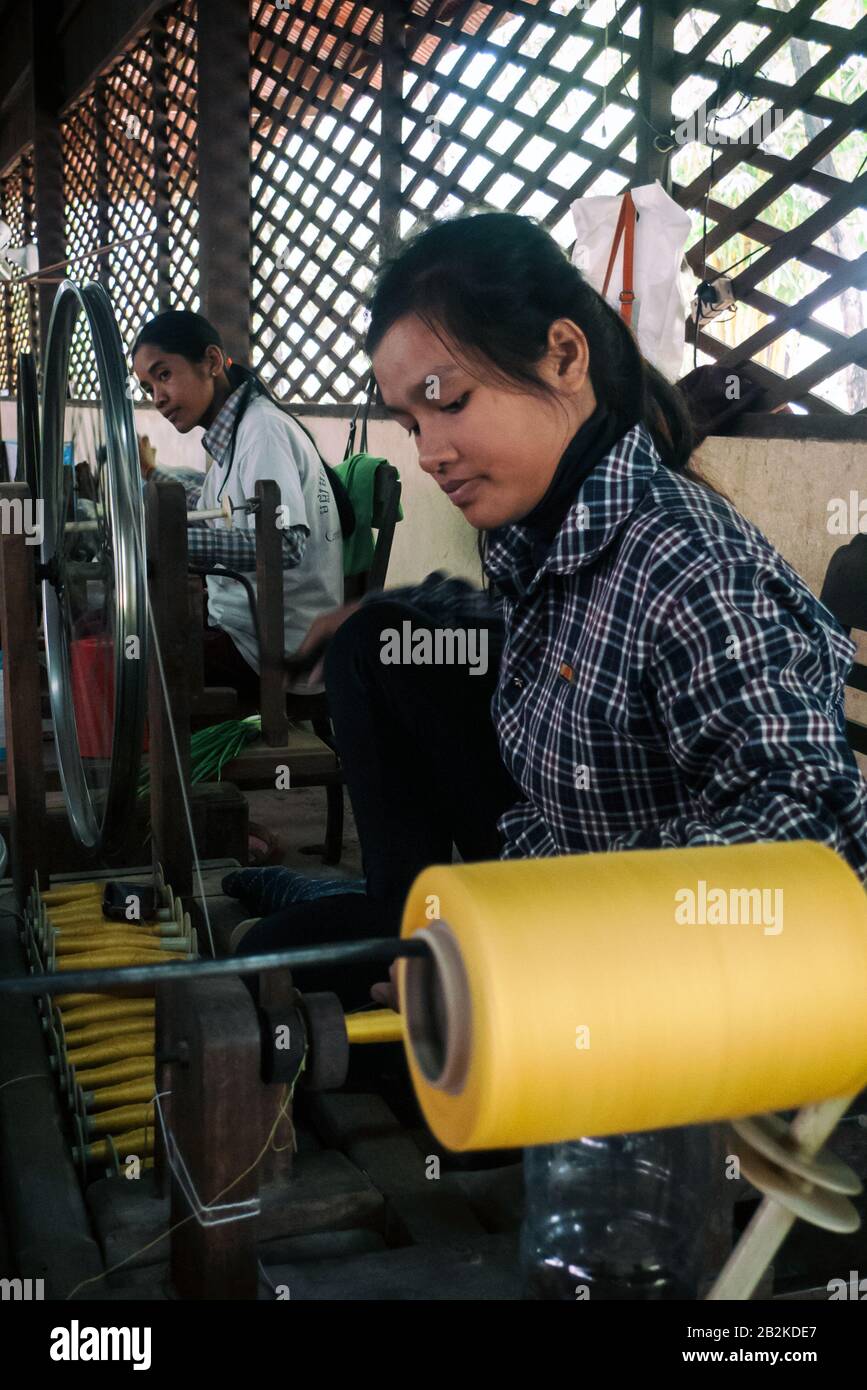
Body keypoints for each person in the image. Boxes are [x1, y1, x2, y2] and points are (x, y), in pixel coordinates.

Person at [233, 210, 867, 1007]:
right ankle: (401, 920)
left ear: (565, 356)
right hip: (538, 877)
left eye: (449, 403)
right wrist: (388, 615)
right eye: (410, 423)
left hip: (634, 974)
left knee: (268, 977)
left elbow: (814, 841)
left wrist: (530, 943)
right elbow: (526, 626)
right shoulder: (541, 531)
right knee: (378, 640)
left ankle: (391, 933)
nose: (428, 452)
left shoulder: (689, 564)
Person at [132, 310, 346, 703]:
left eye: (164, 376)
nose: (158, 399)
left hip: (277, 652)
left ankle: (166, 762)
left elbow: (283, 545)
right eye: (148, 387)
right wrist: (155, 483)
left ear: (212, 362)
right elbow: (210, 508)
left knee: (133, 659)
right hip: (246, 633)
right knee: (125, 631)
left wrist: (169, 546)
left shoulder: (262, 430)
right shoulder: (231, 438)